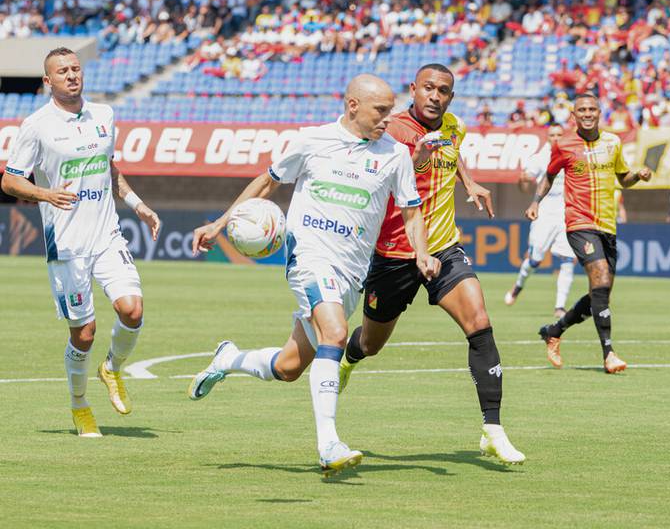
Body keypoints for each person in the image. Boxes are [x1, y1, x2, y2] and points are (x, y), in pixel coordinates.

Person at [187, 74, 440, 476]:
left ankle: (229, 358)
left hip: (353, 272)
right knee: (336, 335)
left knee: (289, 367)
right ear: (352, 105)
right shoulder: (311, 140)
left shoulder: (395, 155)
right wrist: (220, 223)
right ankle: (329, 445)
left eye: (390, 111)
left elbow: (411, 212)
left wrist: (422, 253)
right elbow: (266, 184)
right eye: (380, 110)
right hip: (309, 258)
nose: (387, 119)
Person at [337, 63, 526, 465]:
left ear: (451, 97)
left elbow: (451, 151)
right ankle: (349, 360)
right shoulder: (391, 131)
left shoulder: (454, 125)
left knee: (479, 321)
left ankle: (492, 429)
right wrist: (419, 163)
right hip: (394, 253)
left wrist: (469, 181)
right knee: (371, 343)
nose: (435, 96)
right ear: (414, 89)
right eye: (428, 88)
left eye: (443, 90)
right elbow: (387, 180)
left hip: (442, 247)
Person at [1, 47, 160, 437]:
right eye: (62, 71)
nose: (72, 75)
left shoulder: (104, 115)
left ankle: (112, 368)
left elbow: (108, 167)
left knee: (133, 311)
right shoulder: (36, 125)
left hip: (106, 235)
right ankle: (79, 405)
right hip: (67, 245)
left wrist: (137, 204)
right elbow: (9, 180)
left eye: (75, 68)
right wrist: (46, 194)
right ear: (47, 81)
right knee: (83, 333)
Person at [527, 93, 652, 373]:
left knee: (600, 291)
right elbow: (549, 175)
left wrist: (638, 175)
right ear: (574, 115)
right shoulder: (564, 145)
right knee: (601, 277)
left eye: (591, 109)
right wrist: (536, 202)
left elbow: (624, 179)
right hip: (579, 223)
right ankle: (609, 354)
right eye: (581, 109)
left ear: (599, 112)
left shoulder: (613, 142)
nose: (586, 113)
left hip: (607, 226)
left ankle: (554, 330)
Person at [505, 123, 577, 327]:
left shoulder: (572, 155)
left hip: (567, 213)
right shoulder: (539, 158)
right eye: (552, 135)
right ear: (547, 138)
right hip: (545, 213)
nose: (556, 138)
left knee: (567, 260)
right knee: (535, 259)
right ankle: (518, 286)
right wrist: (523, 181)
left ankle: (560, 306)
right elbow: (525, 186)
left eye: (559, 134)